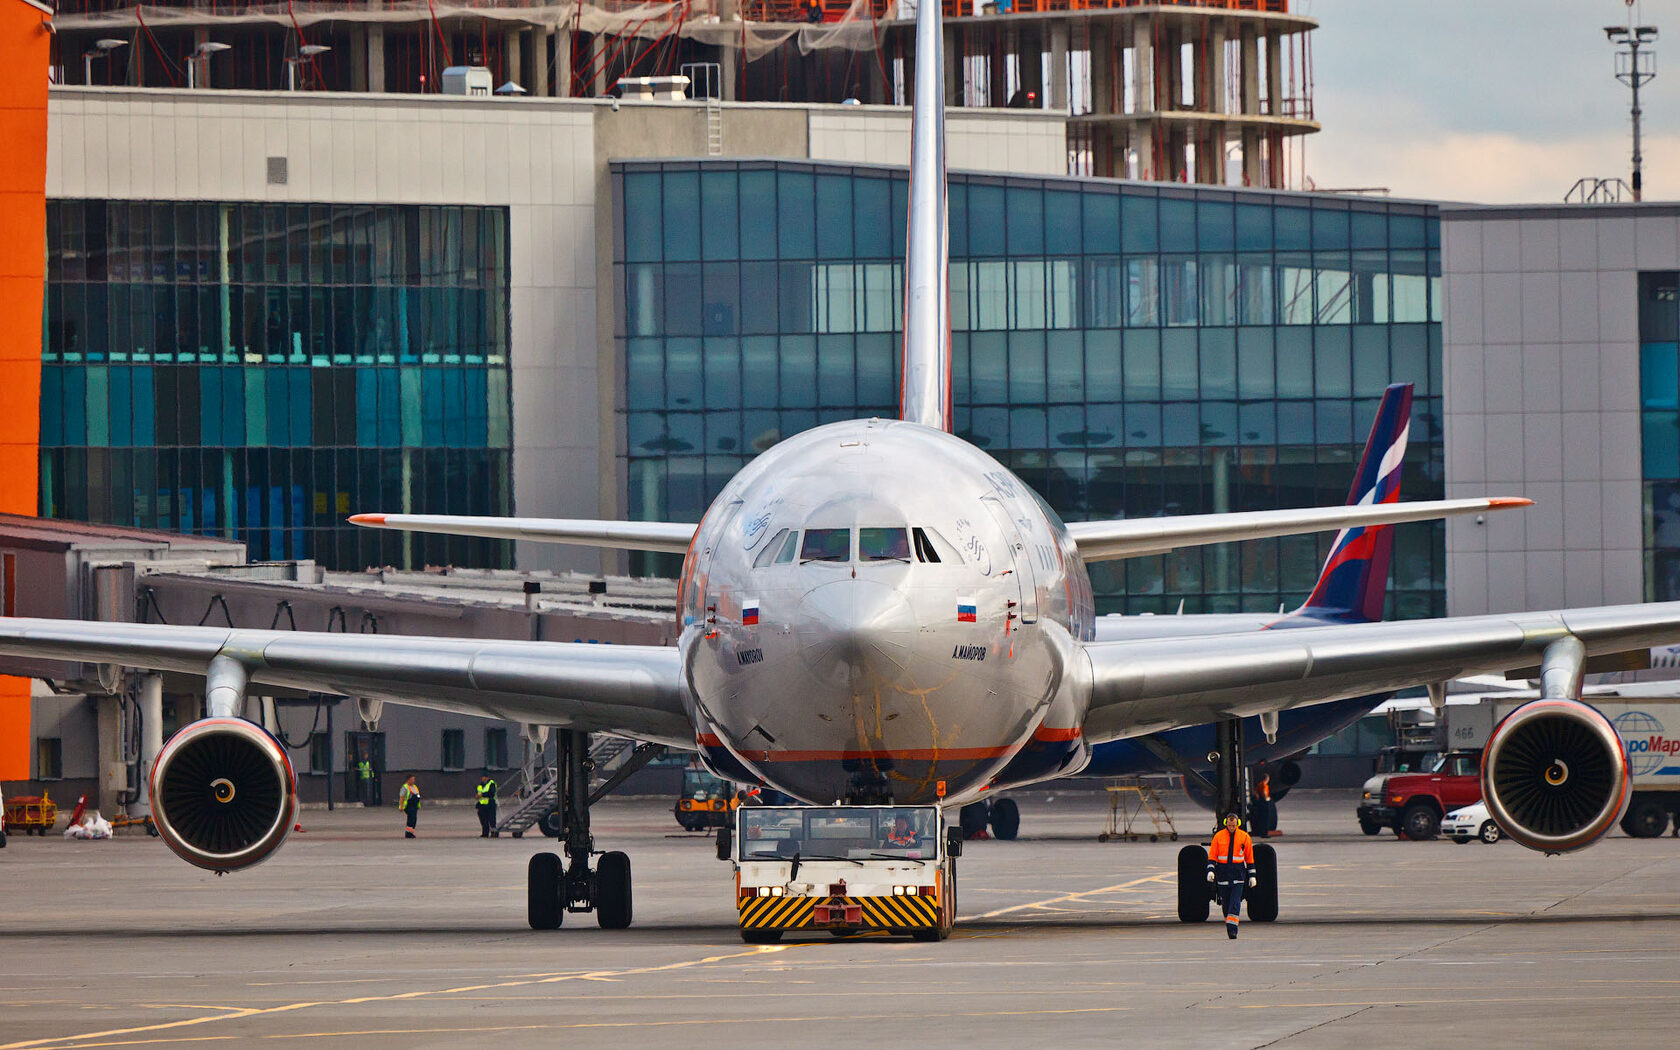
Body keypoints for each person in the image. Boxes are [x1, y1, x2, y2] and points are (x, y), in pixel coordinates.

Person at [1206, 811, 1256, 939]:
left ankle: (1233, 929)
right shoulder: (1218, 837)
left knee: (1235, 902)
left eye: (1233, 825)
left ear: (1237, 823)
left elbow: (1249, 858)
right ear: (1226, 824)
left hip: (1238, 874)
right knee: (1226, 904)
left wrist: (1252, 876)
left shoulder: (1244, 837)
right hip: (1223, 874)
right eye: (1229, 825)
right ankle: (1229, 924)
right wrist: (1210, 871)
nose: (1231, 827)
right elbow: (1212, 855)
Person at [475, 772, 499, 837]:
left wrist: (482, 795)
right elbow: (477, 792)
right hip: (482, 805)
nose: (482, 778)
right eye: (482, 777)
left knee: (491, 819)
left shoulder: (492, 783)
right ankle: (485, 833)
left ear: (487, 777)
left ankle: (494, 833)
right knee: (483, 820)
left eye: (484, 777)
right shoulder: (480, 785)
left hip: (490, 804)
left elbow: (491, 793)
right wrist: (477, 796)